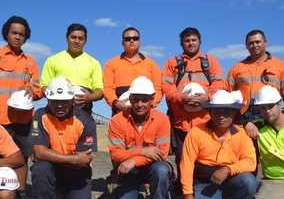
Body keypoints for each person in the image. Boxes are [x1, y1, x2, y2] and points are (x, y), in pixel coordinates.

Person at [0, 15, 42, 199]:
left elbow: (39, 89)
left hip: (24, 120)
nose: (17, 37)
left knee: (22, 158)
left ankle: (20, 194)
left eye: (22, 34)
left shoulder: (30, 62)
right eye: (14, 33)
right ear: (6, 34)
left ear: (26, 37)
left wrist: (31, 89)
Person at [180, 90, 257, 199]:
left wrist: (227, 169)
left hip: (230, 178)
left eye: (226, 112)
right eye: (216, 111)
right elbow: (187, 164)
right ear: (210, 112)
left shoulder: (241, 134)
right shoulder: (196, 132)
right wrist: (187, 194)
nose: (221, 116)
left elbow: (251, 161)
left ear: (234, 113)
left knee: (248, 181)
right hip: (205, 182)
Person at [30, 76, 96, 199]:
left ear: (72, 100)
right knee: (40, 169)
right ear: (47, 99)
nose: (59, 106)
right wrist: (74, 159)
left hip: (76, 174)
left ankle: (66, 197)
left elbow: (84, 159)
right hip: (52, 170)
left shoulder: (85, 120)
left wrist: (75, 160)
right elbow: (39, 152)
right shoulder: (39, 116)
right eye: (54, 101)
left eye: (64, 101)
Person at [108, 76, 172, 199]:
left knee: (162, 169)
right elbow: (116, 155)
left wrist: (134, 160)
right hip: (127, 171)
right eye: (135, 99)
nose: (139, 104)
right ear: (130, 98)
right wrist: (144, 151)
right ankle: (122, 190)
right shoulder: (117, 120)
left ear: (152, 99)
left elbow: (162, 153)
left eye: (144, 100)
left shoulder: (162, 120)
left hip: (149, 168)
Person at [162, 27, 227, 164]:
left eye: (194, 40)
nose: (191, 43)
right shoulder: (172, 63)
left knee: (207, 159)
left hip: (206, 122)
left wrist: (208, 97)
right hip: (181, 124)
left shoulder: (210, 61)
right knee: (183, 161)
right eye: (187, 41)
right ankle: (183, 186)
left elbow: (220, 83)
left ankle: (202, 186)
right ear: (182, 44)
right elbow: (166, 87)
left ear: (199, 42)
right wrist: (181, 97)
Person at [227, 29, 284, 139]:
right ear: (246, 46)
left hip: (273, 121)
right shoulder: (237, 68)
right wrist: (244, 122)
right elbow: (229, 99)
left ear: (265, 42)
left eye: (258, 42)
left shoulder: (280, 66)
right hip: (246, 122)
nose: (254, 45)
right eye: (251, 43)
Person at [40, 23, 103, 114]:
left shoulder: (94, 63)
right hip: (57, 110)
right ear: (67, 38)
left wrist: (89, 97)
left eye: (81, 38)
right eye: (73, 37)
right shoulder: (52, 60)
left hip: (83, 111)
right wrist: (59, 95)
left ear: (85, 41)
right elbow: (44, 86)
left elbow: (100, 91)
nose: (77, 41)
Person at [104, 27, 162, 115]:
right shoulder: (111, 64)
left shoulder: (152, 65)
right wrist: (117, 103)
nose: (131, 41)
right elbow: (107, 88)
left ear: (139, 42)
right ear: (122, 42)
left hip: (146, 115)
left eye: (135, 38)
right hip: (120, 113)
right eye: (127, 39)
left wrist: (149, 105)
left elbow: (158, 89)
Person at [251, 85, 284, 199]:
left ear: (280, 104)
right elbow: (234, 121)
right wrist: (248, 123)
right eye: (262, 108)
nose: (267, 111)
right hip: (273, 181)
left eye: (270, 106)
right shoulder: (258, 129)